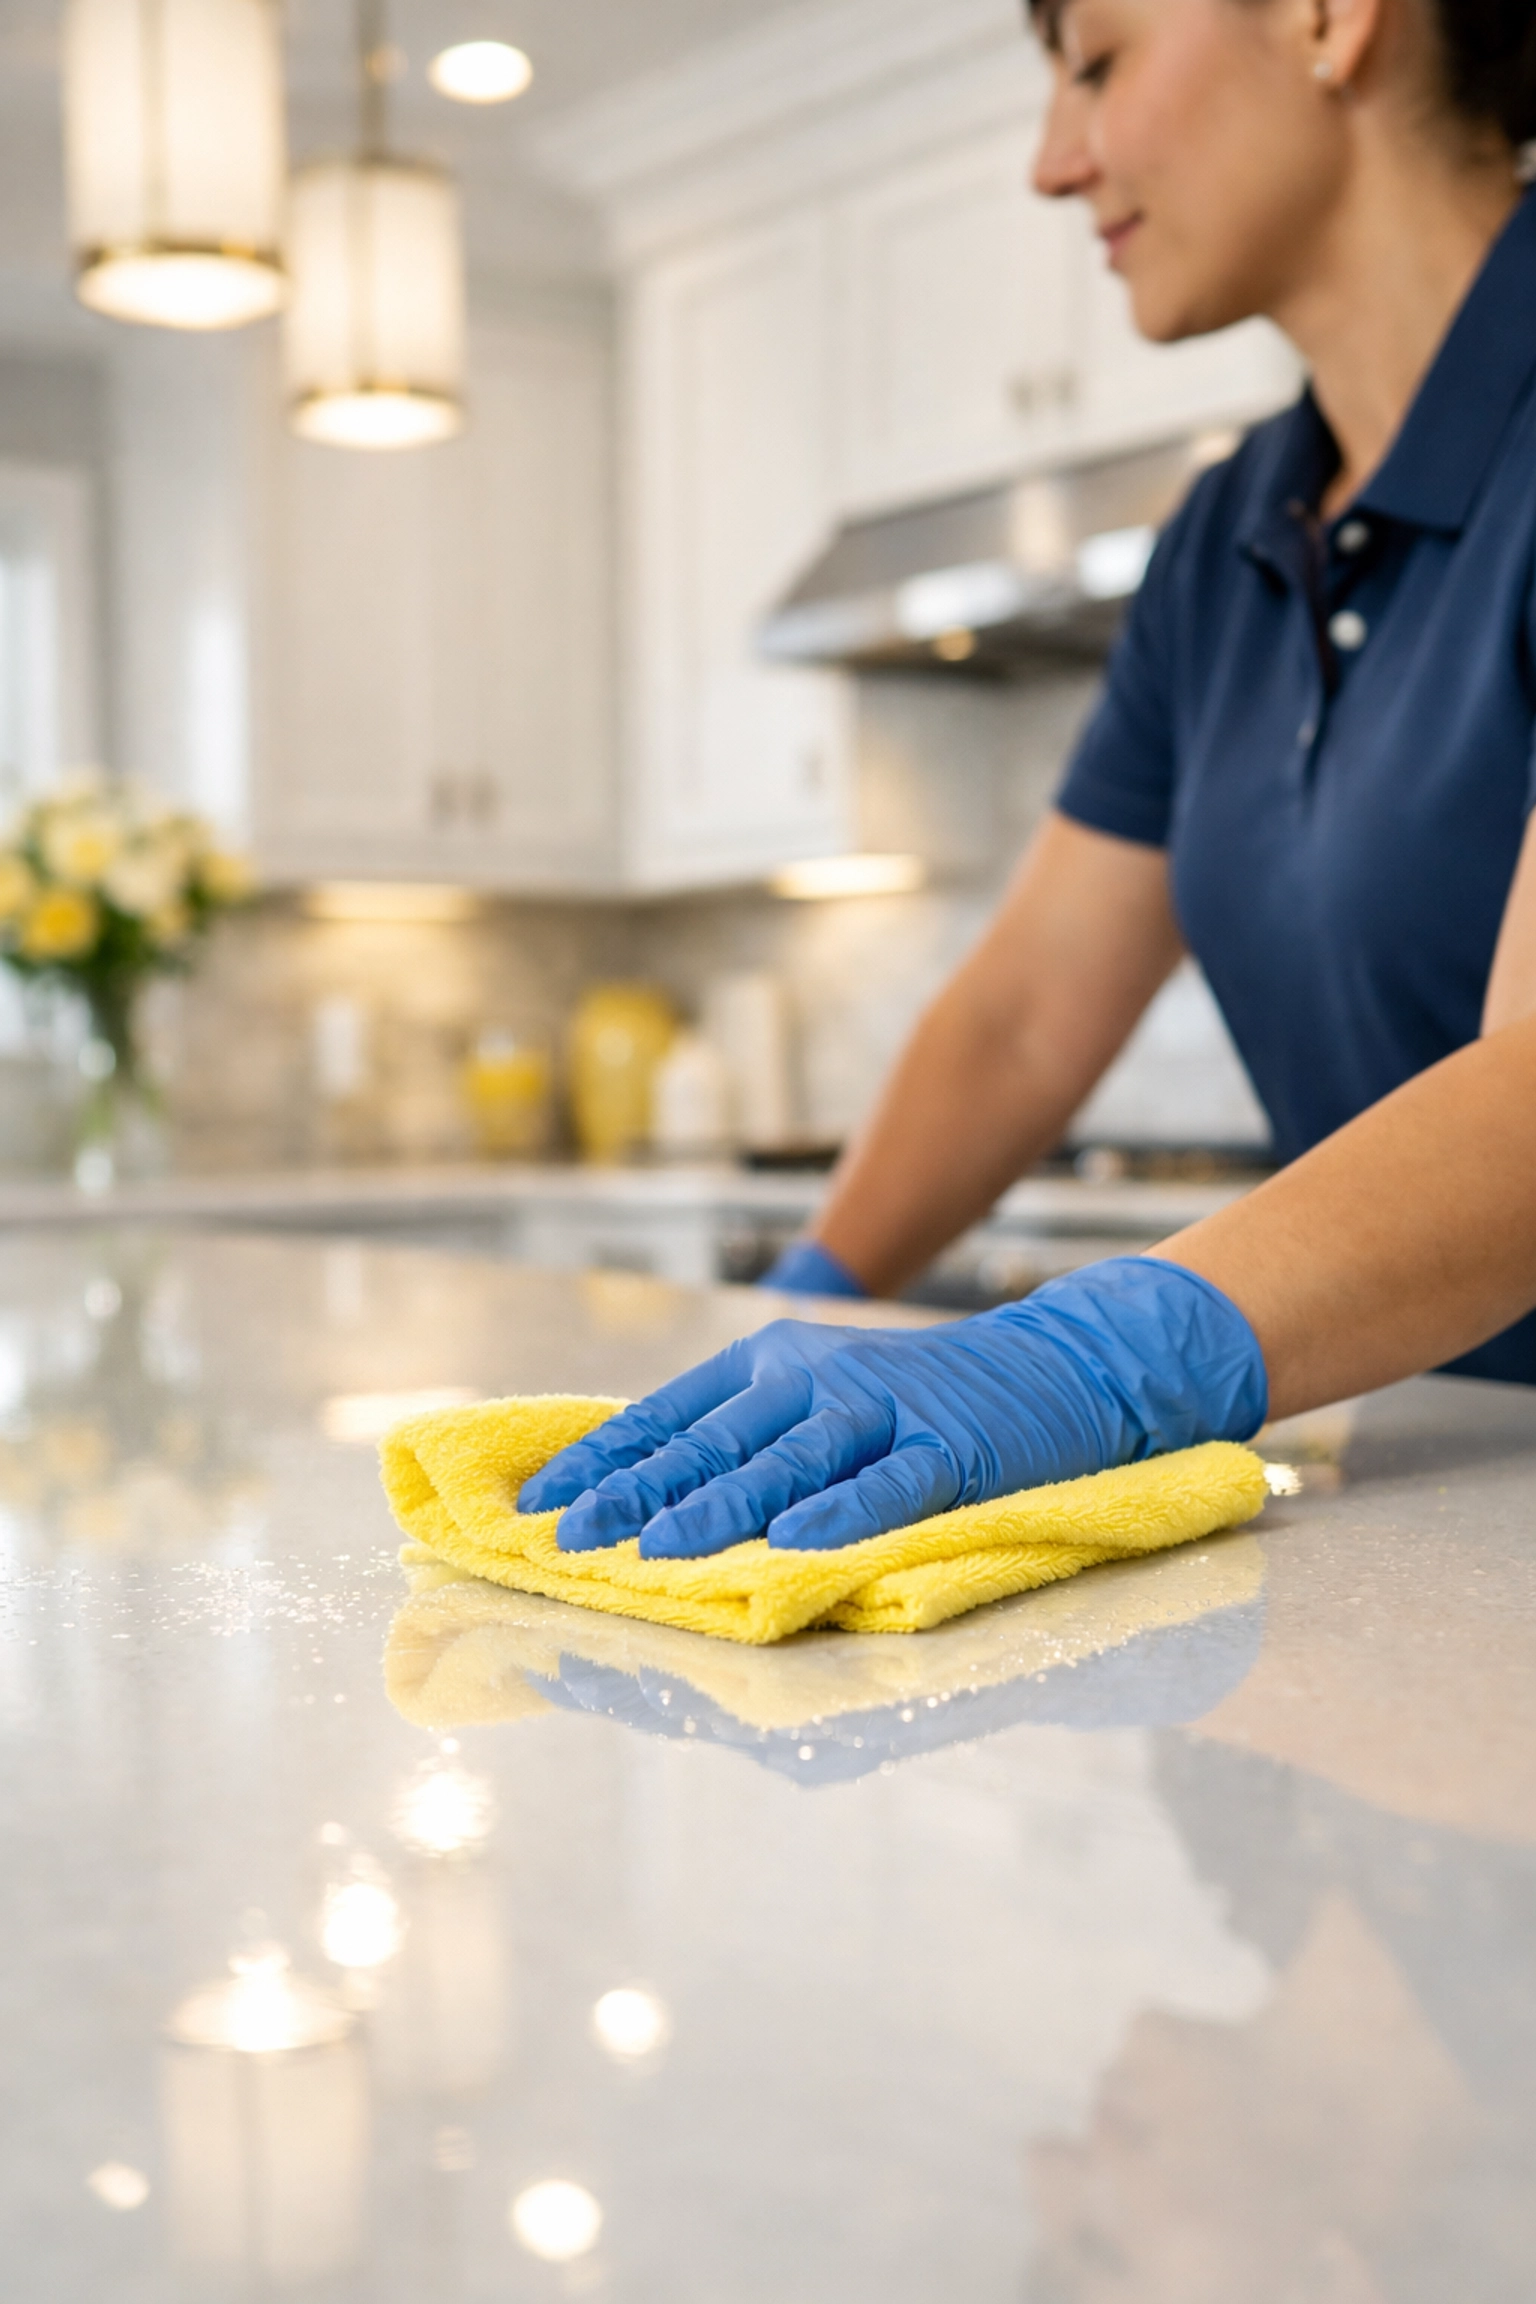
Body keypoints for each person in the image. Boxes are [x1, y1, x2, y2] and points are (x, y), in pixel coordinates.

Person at [522, 0, 1536, 1559]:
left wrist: (1094, 1353)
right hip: (1448, 1473)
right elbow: (1024, 1013)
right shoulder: (1227, 539)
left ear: (1330, 20)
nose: (1054, 164)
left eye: (1099, 63)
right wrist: (805, 1295)